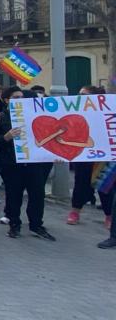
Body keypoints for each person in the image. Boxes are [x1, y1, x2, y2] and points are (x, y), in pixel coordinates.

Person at [0, 86, 55, 241]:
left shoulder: (34, 115)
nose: (20, 101)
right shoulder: (1, 118)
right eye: (16, 98)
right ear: (6, 100)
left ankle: (36, 225)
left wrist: (54, 153)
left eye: (22, 97)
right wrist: (6, 137)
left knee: (37, 195)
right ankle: (14, 225)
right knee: (14, 196)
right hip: (12, 164)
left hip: (33, 164)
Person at [67, 86, 105, 225]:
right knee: (80, 182)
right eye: (79, 94)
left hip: (101, 155)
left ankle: (109, 216)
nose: (80, 97)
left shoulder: (105, 111)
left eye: (84, 95)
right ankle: (75, 211)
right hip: (83, 153)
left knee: (103, 184)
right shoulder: (74, 110)